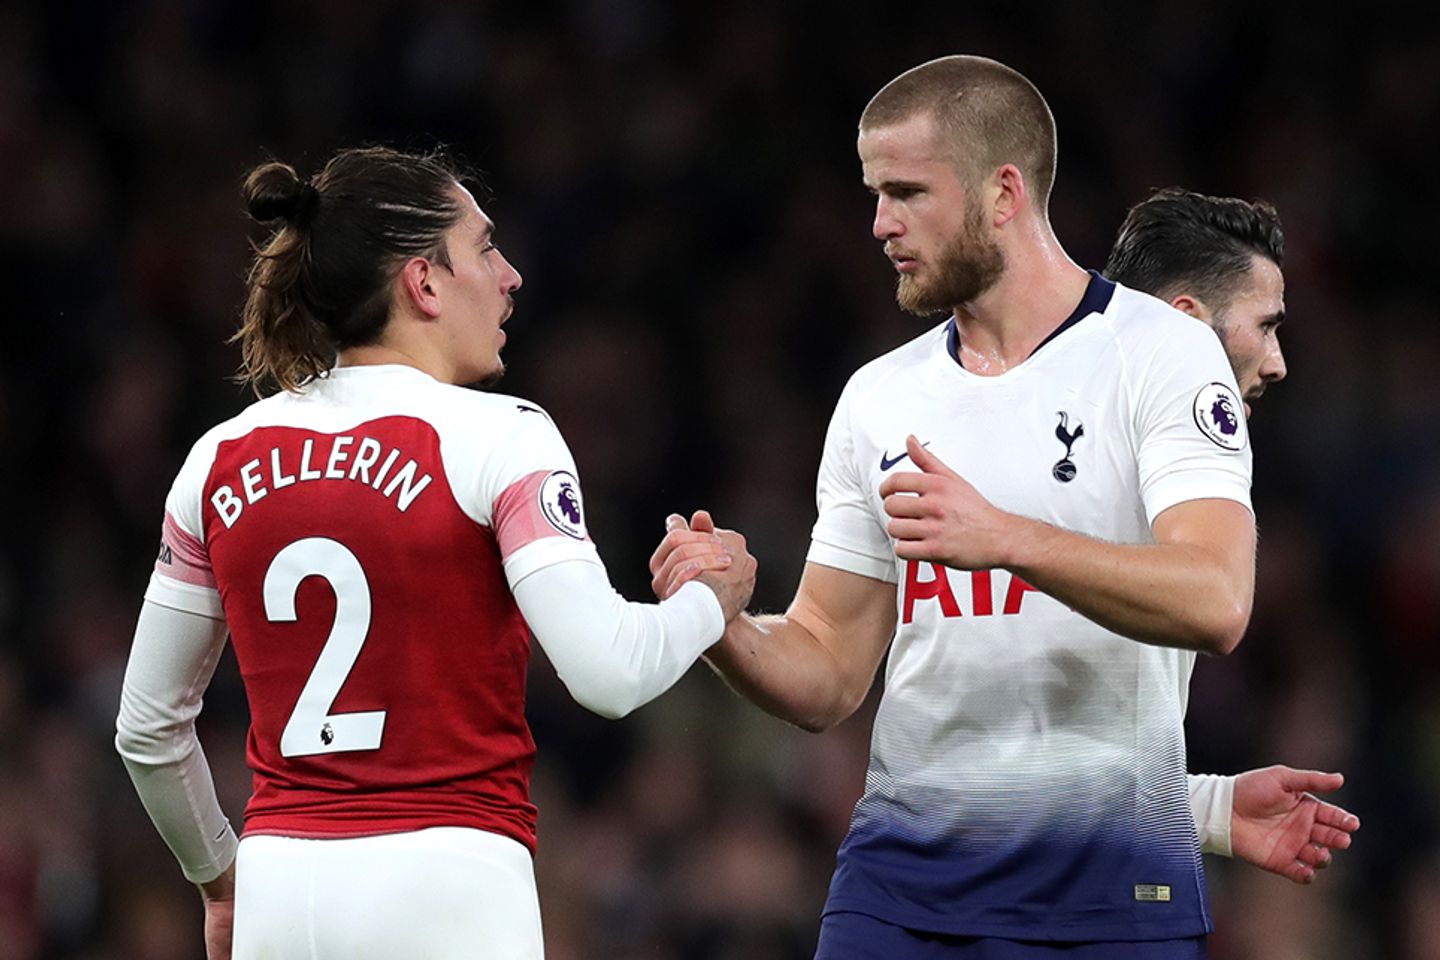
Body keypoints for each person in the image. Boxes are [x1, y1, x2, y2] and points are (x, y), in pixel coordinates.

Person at [651, 55, 1274, 957]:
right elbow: (827, 671)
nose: (879, 223)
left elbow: (1217, 599)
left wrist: (1006, 538)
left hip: (1108, 892)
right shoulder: (879, 397)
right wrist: (719, 620)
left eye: (906, 192)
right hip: (898, 887)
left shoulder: (1161, 355)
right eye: (874, 193)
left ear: (1002, 193)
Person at [113, 146, 755, 960]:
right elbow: (607, 672)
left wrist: (220, 877)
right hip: (452, 884)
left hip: (281, 890)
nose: (511, 274)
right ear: (423, 283)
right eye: (485, 248)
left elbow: (147, 730)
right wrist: (711, 600)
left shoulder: (217, 459)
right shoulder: (502, 436)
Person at [1103, 186, 1357, 885]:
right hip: (1006, 902)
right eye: (1266, 326)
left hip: (1109, 879)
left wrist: (1206, 809)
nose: (1276, 362)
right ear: (1185, 324)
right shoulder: (1050, 467)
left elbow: (1046, 756)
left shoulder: (1173, 481)